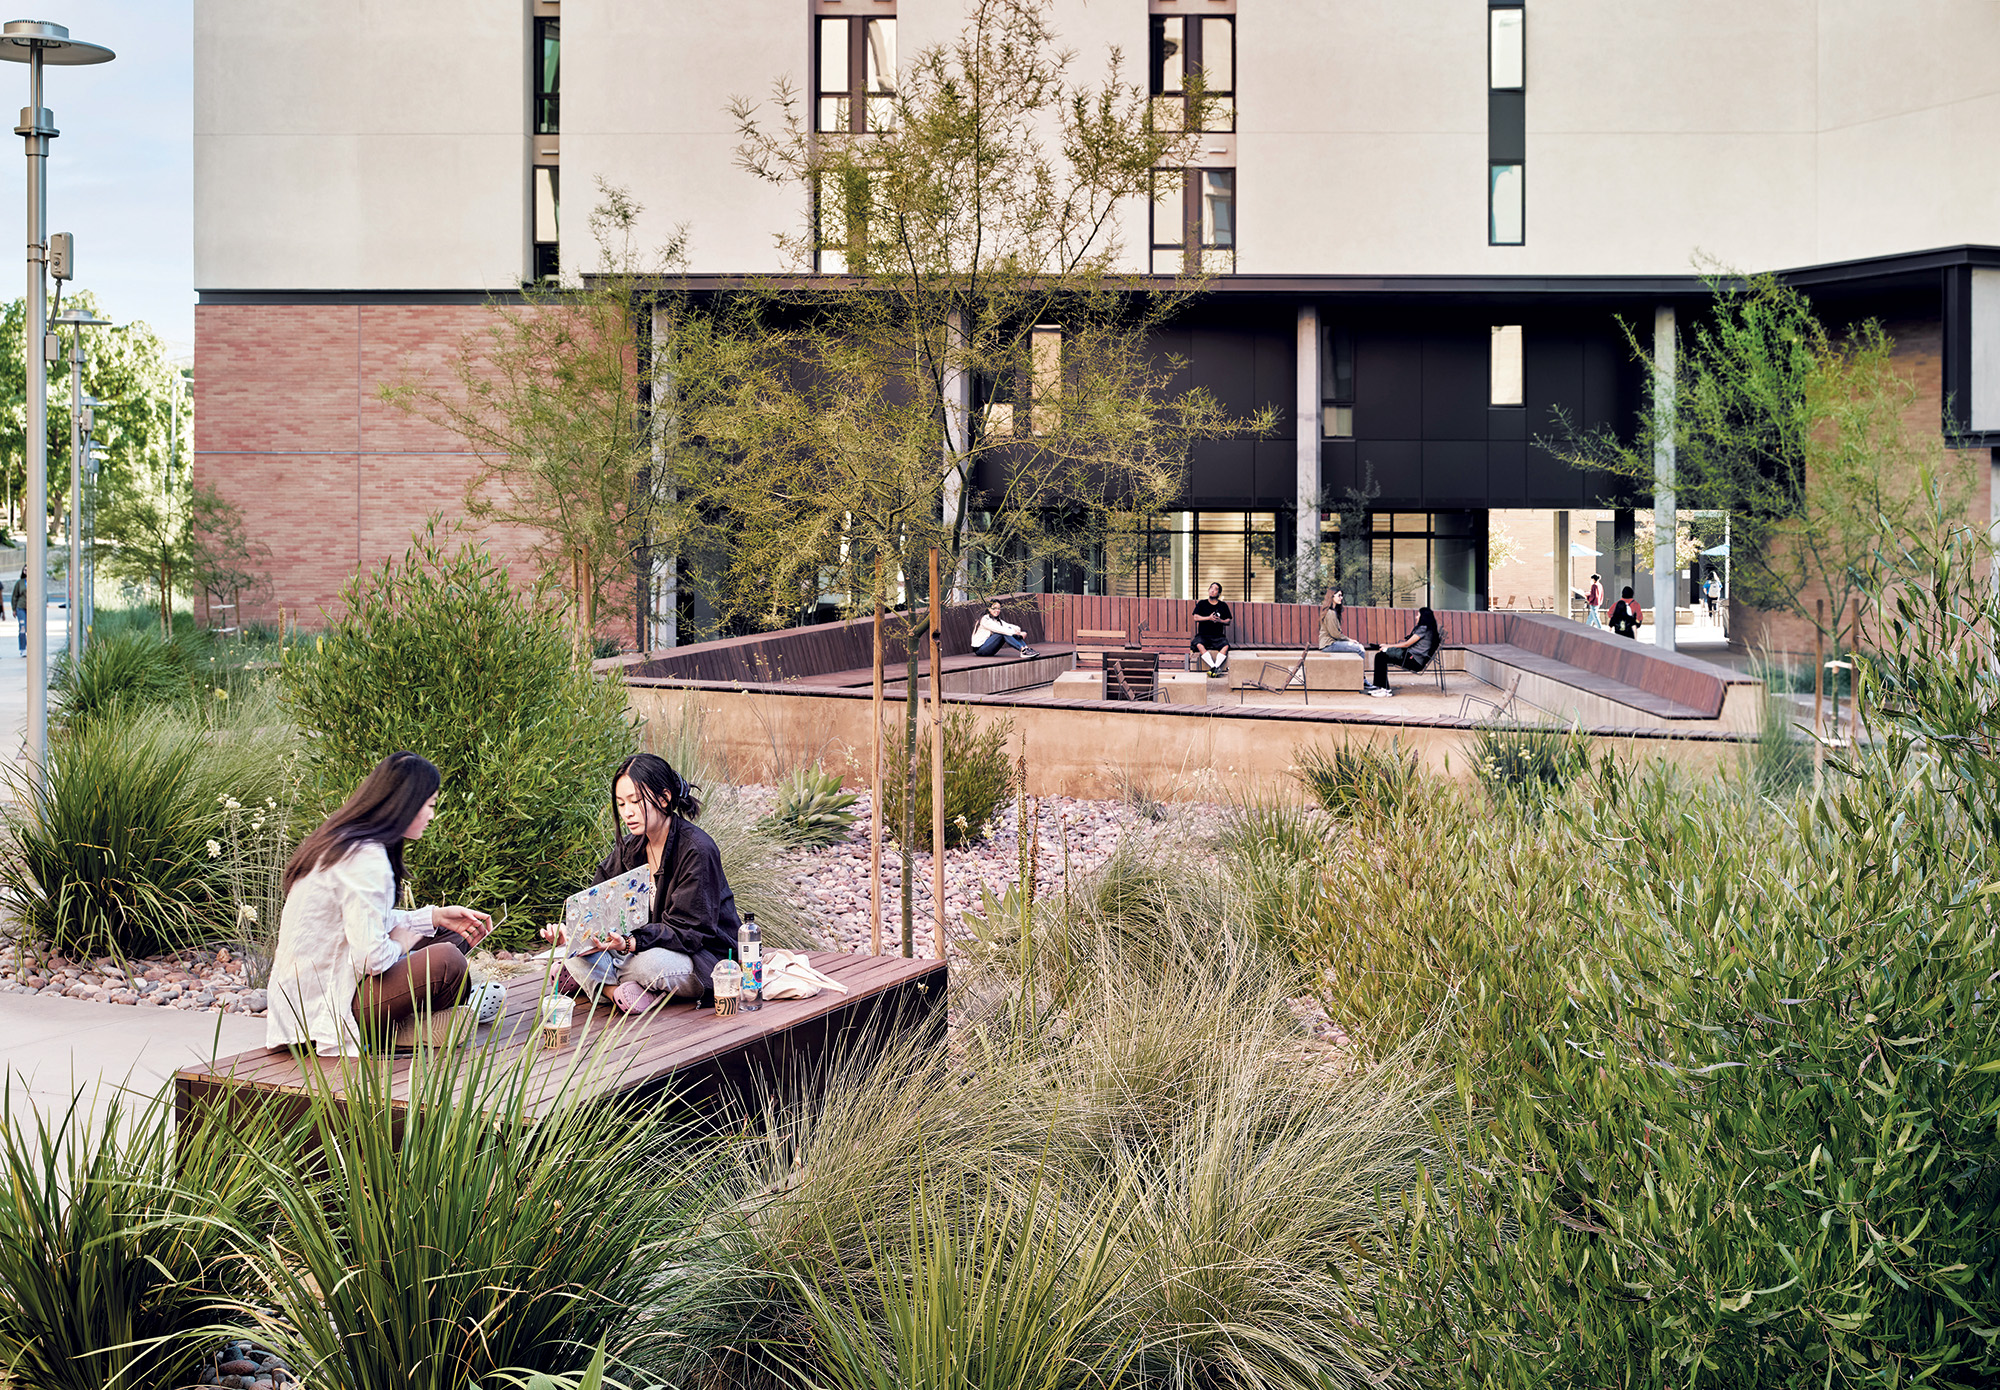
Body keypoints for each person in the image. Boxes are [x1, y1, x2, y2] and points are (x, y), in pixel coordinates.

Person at [266, 751, 494, 1057]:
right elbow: (371, 959)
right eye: (429, 805)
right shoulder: (365, 859)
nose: (432, 815)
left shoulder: (343, 841)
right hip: (328, 1010)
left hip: (311, 1001)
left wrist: (435, 917)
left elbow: (361, 922)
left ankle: (417, 1025)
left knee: (450, 934)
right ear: (406, 803)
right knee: (448, 959)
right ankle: (402, 1030)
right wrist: (401, 945)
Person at [541, 753, 740, 1015]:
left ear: (664, 798)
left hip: (700, 956)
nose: (628, 812)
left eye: (635, 801)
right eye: (621, 804)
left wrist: (628, 943)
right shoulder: (631, 847)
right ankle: (616, 993)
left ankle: (594, 983)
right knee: (574, 954)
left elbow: (691, 932)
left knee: (649, 964)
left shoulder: (697, 849)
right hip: (638, 947)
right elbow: (599, 904)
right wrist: (576, 934)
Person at [1368, 606, 1440, 697]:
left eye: (1418, 615)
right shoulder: (1429, 628)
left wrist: (1388, 646)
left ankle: (1385, 689)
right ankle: (1380, 687)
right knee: (1381, 655)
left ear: (1423, 617)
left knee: (1380, 657)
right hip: (1412, 657)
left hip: (1414, 661)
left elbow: (1407, 644)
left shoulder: (1423, 629)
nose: (1416, 617)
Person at [969, 599, 1038, 658]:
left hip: (989, 649)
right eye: (994, 608)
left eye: (999, 608)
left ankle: (1025, 648)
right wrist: (1015, 632)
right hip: (981, 650)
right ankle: (1022, 650)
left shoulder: (996, 620)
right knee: (1003, 633)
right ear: (989, 609)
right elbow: (1000, 629)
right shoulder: (985, 619)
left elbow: (1010, 626)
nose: (997, 610)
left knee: (1007, 631)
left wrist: (1019, 632)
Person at [1191, 582, 1232, 674]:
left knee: (1225, 646)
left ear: (1219, 593)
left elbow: (1228, 621)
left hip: (1218, 636)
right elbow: (1195, 617)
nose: (1212, 590)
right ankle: (1214, 667)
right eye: (1211, 588)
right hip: (1203, 635)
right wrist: (1208, 618)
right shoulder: (1202, 603)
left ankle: (1215, 668)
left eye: (1215, 589)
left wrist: (1219, 620)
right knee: (1198, 644)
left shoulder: (1223, 605)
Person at [1318, 587, 1366, 657]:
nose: (1341, 597)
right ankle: (1359, 668)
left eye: (1341, 595)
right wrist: (1349, 640)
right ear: (1332, 596)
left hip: (1333, 643)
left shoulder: (1333, 612)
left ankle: (1353, 668)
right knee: (1359, 648)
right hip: (1329, 644)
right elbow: (1335, 634)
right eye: (1339, 595)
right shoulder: (1330, 613)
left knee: (1358, 647)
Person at [11, 569, 24, 656]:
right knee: (23, 627)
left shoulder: (36, 580)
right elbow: (15, 596)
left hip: (32, 608)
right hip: (21, 607)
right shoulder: (20, 583)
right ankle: (23, 648)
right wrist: (14, 609)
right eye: (25, 570)